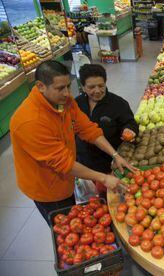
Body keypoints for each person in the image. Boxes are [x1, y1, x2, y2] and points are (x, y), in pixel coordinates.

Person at [10, 61, 134, 225]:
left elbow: (88, 129)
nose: (67, 93)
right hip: (47, 187)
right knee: (65, 226)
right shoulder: (29, 121)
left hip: (66, 178)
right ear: (40, 86)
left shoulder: (63, 101)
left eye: (68, 86)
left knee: (74, 215)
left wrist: (115, 154)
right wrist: (103, 178)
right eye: (60, 88)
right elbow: (64, 163)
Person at [75, 64, 138, 195]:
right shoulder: (76, 104)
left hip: (108, 164)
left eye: (101, 85)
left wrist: (129, 130)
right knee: (90, 198)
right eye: (91, 87)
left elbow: (130, 123)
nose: (97, 90)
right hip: (84, 163)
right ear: (83, 87)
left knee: (109, 198)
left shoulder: (118, 104)